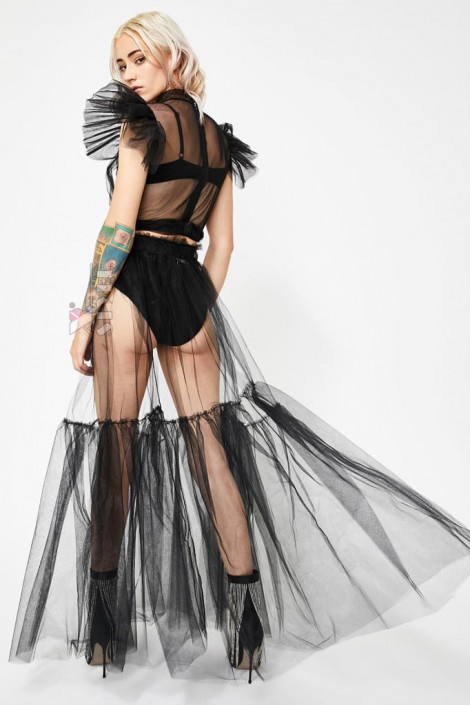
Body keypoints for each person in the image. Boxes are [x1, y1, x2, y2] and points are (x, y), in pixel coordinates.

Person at [8, 9, 470, 686]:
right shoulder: (220, 144)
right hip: (187, 289)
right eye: (120, 64)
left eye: (139, 58)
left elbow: (118, 227)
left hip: (128, 291)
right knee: (211, 447)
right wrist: (195, 304)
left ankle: (104, 627)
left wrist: (84, 315)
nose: (127, 73)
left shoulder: (138, 126)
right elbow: (221, 247)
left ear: (173, 56)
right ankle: (246, 629)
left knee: (116, 446)